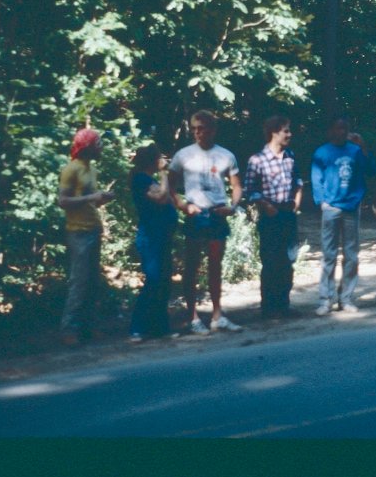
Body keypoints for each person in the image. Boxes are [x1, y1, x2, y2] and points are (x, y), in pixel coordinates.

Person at [168, 110, 244, 335]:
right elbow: (170, 186)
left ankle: (217, 316)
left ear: (213, 129)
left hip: (217, 214)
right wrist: (183, 206)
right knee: (191, 267)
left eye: (202, 128)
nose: (197, 133)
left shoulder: (225, 155)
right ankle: (192, 317)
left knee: (215, 266)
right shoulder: (183, 155)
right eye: (194, 129)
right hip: (196, 215)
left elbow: (237, 185)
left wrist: (233, 205)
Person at [310, 115, 376, 315]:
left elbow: (371, 170)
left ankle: (346, 298)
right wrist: (321, 202)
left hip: (351, 207)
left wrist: (363, 146)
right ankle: (326, 300)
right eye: (337, 128)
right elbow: (316, 178)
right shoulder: (322, 152)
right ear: (330, 131)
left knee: (351, 255)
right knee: (329, 255)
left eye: (344, 129)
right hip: (331, 207)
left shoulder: (355, 150)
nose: (341, 132)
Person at [58, 128, 116, 346]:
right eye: (98, 144)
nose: (101, 148)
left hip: (93, 229)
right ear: (88, 147)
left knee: (92, 282)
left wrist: (101, 199)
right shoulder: (70, 170)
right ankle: (68, 329)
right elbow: (63, 201)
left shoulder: (91, 169)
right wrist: (93, 196)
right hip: (78, 232)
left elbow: (87, 199)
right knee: (79, 281)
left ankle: (88, 328)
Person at [244, 115, 304, 319]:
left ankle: (284, 304)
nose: (290, 134)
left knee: (288, 261)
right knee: (270, 261)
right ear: (274, 132)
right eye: (286, 130)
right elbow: (250, 190)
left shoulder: (290, 156)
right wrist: (265, 205)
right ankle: (269, 308)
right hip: (270, 216)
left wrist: (297, 201)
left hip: (288, 214)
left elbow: (298, 181)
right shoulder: (257, 160)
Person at [128, 143, 179, 343]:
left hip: (161, 236)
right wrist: (164, 172)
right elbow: (161, 197)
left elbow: (168, 200)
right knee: (154, 280)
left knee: (164, 281)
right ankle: (137, 328)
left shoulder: (147, 179)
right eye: (159, 158)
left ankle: (160, 327)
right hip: (150, 237)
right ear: (152, 160)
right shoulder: (141, 179)